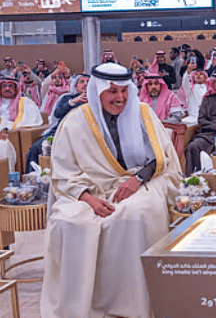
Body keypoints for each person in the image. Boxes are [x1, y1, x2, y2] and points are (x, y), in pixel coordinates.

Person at [41, 63, 180, 318]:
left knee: (133, 215)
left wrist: (137, 180)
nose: (120, 98)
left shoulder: (143, 113)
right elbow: (63, 172)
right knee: (70, 222)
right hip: (86, 189)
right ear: (98, 91)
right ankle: (81, 307)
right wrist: (89, 200)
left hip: (141, 181)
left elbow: (160, 158)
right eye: (112, 91)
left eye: (124, 91)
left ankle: (130, 306)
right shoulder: (75, 121)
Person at [25, 74, 90, 173]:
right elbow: (58, 113)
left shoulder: (95, 100)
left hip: (82, 135)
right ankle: (32, 177)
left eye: (88, 82)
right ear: (76, 86)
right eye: (82, 82)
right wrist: (73, 102)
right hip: (59, 132)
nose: (85, 84)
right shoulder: (67, 98)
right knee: (36, 147)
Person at [0, 76, 43, 172]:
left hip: (9, 136)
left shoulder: (25, 102)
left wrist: (6, 129)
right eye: (4, 86)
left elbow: (29, 121)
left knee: (2, 146)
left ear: (16, 88)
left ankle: (6, 177)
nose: (7, 89)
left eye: (10, 86)